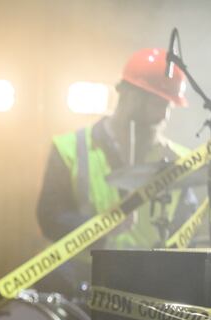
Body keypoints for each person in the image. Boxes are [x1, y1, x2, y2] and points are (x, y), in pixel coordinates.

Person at [36, 47, 199, 297]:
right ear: (128, 95)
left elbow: (187, 229)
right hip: (79, 282)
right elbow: (50, 218)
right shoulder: (69, 148)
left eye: (169, 105)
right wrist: (100, 227)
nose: (164, 115)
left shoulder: (180, 161)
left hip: (148, 287)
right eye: (158, 102)